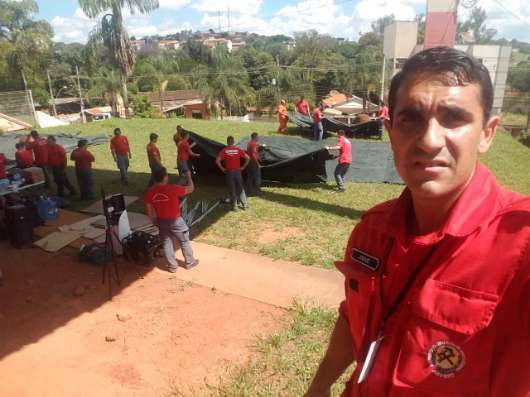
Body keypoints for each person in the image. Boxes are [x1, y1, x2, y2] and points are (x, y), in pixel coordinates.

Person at [304, 46, 530, 397]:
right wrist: (318, 387)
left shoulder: (520, 245)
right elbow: (354, 317)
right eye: (411, 118)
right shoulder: (372, 230)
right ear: (391, 131)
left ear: (487, 133)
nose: (428, 140)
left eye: (453, 117)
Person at [144, 166, 198, 272]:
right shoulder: (173, 188)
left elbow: (149, 210)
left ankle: (173, 266)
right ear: (165, 177)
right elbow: (191, 188)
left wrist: (154, 220)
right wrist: (189, 177)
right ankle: (190, 262)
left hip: (161, 220)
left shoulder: (149, 192)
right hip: (176, 221)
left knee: (166, 242)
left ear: (154, 178)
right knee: (183, 240)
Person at [216, 136, 250, 211]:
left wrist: (222, 169)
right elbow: (248, 158)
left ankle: (234, 206)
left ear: (227, 142)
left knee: (232, 189)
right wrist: (243, 167)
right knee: (240, 187)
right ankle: (244, 204)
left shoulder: (224, 150)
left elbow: (217, 161)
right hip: (237, 171)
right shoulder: (238, 150)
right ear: (233, 142)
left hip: (229, 172)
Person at [246, 132, 265, 196]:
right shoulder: (254, 144)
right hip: (253, 162)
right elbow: (253, 154)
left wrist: (261, 145)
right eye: (257, 137)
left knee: (250, 177)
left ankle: (249, 191)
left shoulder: (249, 143)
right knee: (257, 177)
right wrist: (258, 164)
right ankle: (257, 192)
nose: (258, 138)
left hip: (249, 162)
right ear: (255, 137)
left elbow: (255, 146)